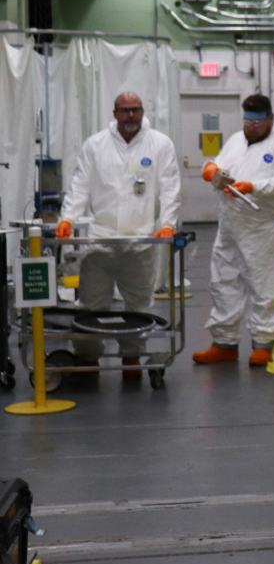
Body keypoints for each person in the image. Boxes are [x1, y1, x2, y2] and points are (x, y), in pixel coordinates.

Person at [57, 91, 181, 378]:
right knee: (91, 303)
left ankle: (132, 359)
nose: (130, 116)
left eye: (135, 109)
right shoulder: (96, 145)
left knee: (139, 306)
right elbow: (80, 186)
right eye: (124, 110)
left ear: (142, 110)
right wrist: (67, 218)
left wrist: (168, 223)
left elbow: (170, 187)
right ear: (114, 113)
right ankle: (88, 358)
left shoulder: (159, 144)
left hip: (140, 242)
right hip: (100, 241)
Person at [193, 94, 274, 367]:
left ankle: (263, 344)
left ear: (269, 119)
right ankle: (224, 343)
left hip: (262, 226)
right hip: (229, 225)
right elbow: (220, 162)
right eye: (247, 122)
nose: (250, 128)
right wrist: (212, 167)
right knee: (223, 282)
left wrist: (252, 187)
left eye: (256, 123)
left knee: (264, 285)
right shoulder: (235, 140)